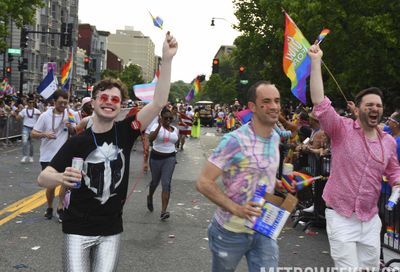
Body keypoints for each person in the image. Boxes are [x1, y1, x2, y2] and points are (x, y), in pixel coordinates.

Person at [36, 32, 177, 271]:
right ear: (93, 101)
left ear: (121, 105)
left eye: (115, 99)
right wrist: (61, 177)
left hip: (111, 229)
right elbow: (42, 177)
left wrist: (167, 59)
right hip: (77, 230)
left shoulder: (126, 131)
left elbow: (159, 102)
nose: (109, 102)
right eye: (104, 97)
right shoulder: (77, 142)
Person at [308, 44, 400, 270]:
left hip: (370, 220)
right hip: (340, 216)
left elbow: (394, 171)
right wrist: (316, 61)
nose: (374, 108)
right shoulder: (341, 129)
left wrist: (398, 183)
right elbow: (320, 103)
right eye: (369, 104)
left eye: (378, 105)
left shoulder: (388, 142)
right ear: (358, 110)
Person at [196, 80, 281, 272]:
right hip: (231, 231)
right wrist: (237, 209)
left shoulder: (275, 137)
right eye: (266, 101)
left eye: (277, 100)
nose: (274, 106)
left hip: (264, 228)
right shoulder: (234, 141)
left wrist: (280, 184)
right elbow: (203, 182)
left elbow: (262, 172)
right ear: (253, 107)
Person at [31, 90, 75, 221]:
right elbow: (33, 133)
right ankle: (49, 207)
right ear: (54, 102)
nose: (63, 105)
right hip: (47, 155)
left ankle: (60, 208)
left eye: (65, 103)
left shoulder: (70, 114)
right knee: (50, 186)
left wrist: (70, 127)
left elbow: (74, 131)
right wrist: (45, 134)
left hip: (64, 155)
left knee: (65, 183)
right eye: (61, 102)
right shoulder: (45, 116)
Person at [147, 107, 179, 220]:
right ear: (161, 118)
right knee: (155, 182)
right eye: (166, 118)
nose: (169, 120)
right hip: (156, 158)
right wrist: (160, 126)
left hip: (170, 158)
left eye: (171, 118)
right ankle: (150, 196)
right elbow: (150, 138)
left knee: (166, 183)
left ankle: (163, 211)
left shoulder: (175, 129)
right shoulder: (156, 127)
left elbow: (176, 141)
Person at [13, 97, 41, 163]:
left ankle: (31, 156)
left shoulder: (37, 111)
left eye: (32, 102)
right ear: (27, 103)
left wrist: (40, 115)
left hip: (33, 129)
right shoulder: (24, 111)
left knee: (31, 144)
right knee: (24, 142)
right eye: (30, 102)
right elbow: (18, 118)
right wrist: (15, 114)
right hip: (25, 127)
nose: (31, 104)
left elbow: (41, 119)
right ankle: (24, 156)